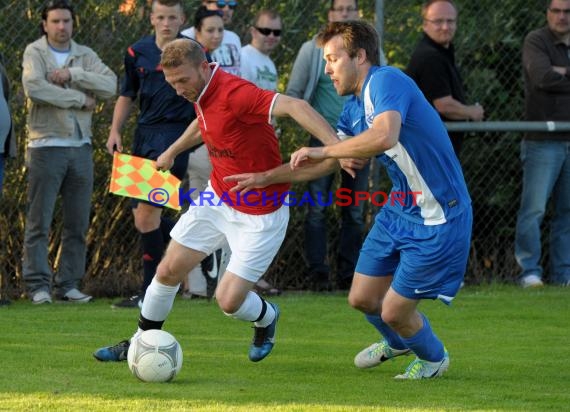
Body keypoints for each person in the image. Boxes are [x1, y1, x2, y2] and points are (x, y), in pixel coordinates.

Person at [227, 21, 473, 379]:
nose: (327, 70)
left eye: (332, 59)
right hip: (400, 209)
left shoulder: (386, 81)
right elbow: (326, 162)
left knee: (393, 312)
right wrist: (265, 178)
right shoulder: (353, 110)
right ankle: (399, 342)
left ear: (359, 57)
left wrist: (325, 148)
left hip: (439, 216)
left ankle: (434, 358)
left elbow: (385, 136)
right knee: (361, 298)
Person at [92, 38, 346, 363]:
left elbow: (296, 106)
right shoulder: (200, 91)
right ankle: (139, 341)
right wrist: (172, 151)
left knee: (228, 302)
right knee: (168, 270)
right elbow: (204, 123)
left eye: (183, 80)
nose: (178, 89)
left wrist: (333, 148)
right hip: (218, 198)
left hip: (261, 213)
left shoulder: (236, 92)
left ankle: (266, 317)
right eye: (172, 83)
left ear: (203, 66)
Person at [21, 0, 116, 305]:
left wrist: (74, 74)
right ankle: (38, 286)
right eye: (56, 21)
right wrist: (77, 98)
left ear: (73, 24)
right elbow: (34, 88)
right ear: (45, 25)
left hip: (81, 147)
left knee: (77, 222)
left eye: (66, 21)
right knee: (40, 220)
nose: (62, 27)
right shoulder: (34, 52)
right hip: (45, 146)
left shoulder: (84, 55)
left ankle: (69, 285)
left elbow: (110, 85)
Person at [286, 0, 381, 291]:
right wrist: (325, 138)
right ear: (330, 15)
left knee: (353, 209)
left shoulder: (367, 54)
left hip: (357, 141)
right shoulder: (311, 50)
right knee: (316, 208)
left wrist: (367, 137)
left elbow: (379, 92)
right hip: (321, 140)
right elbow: (294, 95)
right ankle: (318, 275)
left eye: (349, 9)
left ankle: (348, 275)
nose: (344, 14)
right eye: (338, 9)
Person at [107, 0, 195, 309]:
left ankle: (150, 293)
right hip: (142, 136)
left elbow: (205, 97)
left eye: (173, 17)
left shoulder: (193, 52)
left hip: (174, 138)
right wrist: (115, 130)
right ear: (152, 19)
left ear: (182, 19)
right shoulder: (136, 52)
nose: (167, 22)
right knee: (142, 219)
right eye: (161, 17)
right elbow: (127, 93)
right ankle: (199, 243)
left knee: (148, 214)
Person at [515, 0, 570, 288]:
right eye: (556, 11)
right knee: (534, 209)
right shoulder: (536, 40)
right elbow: (542, 77)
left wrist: (562, 72)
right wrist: (555, 73)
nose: (561, 16)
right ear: (547, 13)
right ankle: (530, 273)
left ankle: (564, 275)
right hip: (542, 141)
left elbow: (554, 78)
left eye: (567, 11)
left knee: (567, 212)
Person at [406, 0, 484, 156]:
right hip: (430, 151)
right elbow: (444, 105)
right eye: (438, 21)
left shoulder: (441, 54)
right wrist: (472, 112)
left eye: (450, 21)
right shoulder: (430, 57)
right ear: (425, 24)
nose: (445, 27)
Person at [181, 0, 241, 76]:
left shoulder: (234, 38)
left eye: (232, 4)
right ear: (205, 3)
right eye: (221, 3)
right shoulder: (185, 38)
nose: (226, 9)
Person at [240, 9, 282, 92]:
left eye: (276, 32)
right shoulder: (243, 57)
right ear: (253, 32)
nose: (272, 36)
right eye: (266, 31)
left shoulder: (270, 63)